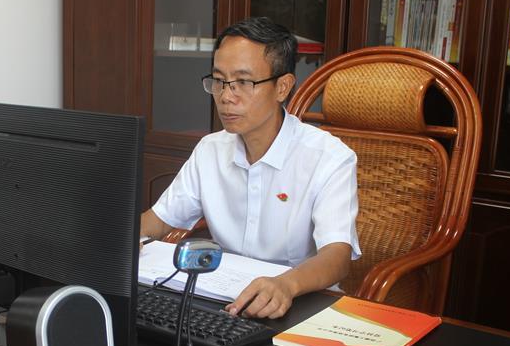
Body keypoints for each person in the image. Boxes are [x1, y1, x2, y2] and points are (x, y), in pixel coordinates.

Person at [140, 17, 360, 319]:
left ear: (282, 87)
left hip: (300, 304)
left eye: (243, 82)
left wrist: (287, 284)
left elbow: (337, 257)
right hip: (224, 302)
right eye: (219, 81)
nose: (226, 97)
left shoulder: (329, 158)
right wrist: (122, 238)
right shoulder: (210, 149)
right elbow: (159, 220)